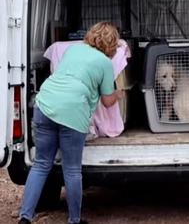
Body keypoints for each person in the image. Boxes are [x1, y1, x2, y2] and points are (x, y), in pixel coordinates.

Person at [18, 22, 124, 224]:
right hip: (72, 113)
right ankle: (74, 220)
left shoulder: (73, 50)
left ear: (91, 35)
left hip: (45, 104)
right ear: (112, 44)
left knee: (41, 164)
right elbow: (107, 101)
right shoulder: (105, 63)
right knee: (72, 169)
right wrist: (119, 94)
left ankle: (25, 218)